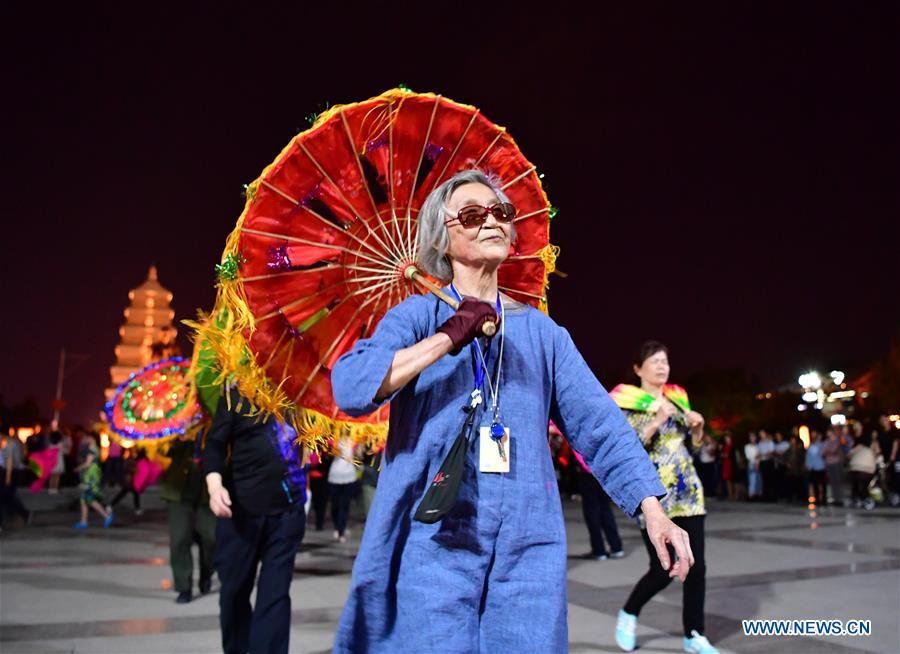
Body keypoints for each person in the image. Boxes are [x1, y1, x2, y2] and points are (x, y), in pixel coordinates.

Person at [329, 170, 691, 653]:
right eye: (473, 215)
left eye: (501, 212)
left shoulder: (544, 335)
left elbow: (599, 425)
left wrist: (653, 510)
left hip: (528, 545)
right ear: (444, 238)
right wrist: (448, 337)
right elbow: (352, 385)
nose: (492, 222)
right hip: (434, 542)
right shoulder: (418, 317)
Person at [615, 342, 718, 654]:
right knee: (662, 569)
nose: (662, 366)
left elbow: (694, 448)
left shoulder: (679, 398)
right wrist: (657, 419)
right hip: (653, 497)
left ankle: (694, 634)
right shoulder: (626, 402)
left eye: (665, 361)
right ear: (638, 368)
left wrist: (698, 430)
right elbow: (625, 447)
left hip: (688, 492)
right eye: (654, 360)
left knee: (696, 567)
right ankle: (629, 612)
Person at [204, 387, 307, 654]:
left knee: (274, 596)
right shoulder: (236, 395)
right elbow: (215, 443)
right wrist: (215, 487)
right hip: (240, 514)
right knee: (234, 592)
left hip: (288, 512)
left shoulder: (301, 391)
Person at [161, 432, 216, 604]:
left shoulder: (216, 415)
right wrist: (177, 438)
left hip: (209, 491)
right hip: (178, 491)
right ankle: (184, 586)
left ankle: (207, 573)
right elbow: (161, 449)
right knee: (179, 538)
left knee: (211, 537)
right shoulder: (176, 417)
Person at [574, 449, 624, 560]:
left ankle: (599, 550)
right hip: (603, 469)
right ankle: (616, 547)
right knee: (605, 509)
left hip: (588, 470)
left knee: (592, 511)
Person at [73, 433, 113, 529]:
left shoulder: (92, 449)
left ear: (91, 438)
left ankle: (106, 515)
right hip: (90, 474)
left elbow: (87, 464)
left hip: (91, 475)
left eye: (86, 437)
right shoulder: (94, 448)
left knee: (88, 498)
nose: (84, 440)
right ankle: (84, 521)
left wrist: (77, 468)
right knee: (84, 499)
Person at [327, 436, 358, 543]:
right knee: (335, 504)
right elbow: (331, 451)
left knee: (345, 504)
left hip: (349, 475)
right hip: (335, 475)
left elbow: (359, 454)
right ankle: (337, 526)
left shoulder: (355, 438)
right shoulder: (334, 438)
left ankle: (341, 530)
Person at [0, 436, 33, 531]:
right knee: (8, 498)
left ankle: (24, 514)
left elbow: (9, 460)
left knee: (5, 498)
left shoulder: (9, 444)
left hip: (7, 472)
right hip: (7, 472)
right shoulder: (8, 443)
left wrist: (8, 477)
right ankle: (25, 514)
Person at [847, 434, 876, 510]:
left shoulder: (859, 447)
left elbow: (849, 454)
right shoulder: (871, 448)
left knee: (855, 484)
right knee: (865, 485)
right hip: (868, 470)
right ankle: (865, 498)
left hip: (855, 468)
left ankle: (856, 498)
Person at [822, 429, 846, 505]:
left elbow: (834, 451)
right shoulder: (826, 441)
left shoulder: (837, 441)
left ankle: (840, 498)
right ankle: (835, 498)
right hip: (829, 463)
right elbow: (823, 452)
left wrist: (828, 452)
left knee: (838, 481)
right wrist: (828, 452)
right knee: (832, 481)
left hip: (836, 463)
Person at [805, 431, 826, 504]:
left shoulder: (821, 445)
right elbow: (808, 456)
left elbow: (824, 454)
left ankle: (823, 498)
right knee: (814, 484)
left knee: (822, 484)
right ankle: (816, 498)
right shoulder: (810, 446)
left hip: (821, 467)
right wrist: (807, 464)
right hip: (813, 468)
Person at [718, 432, 735, 500]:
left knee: (731, 479)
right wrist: (720, 451)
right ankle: (729, 495)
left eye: (728, 438)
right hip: (725, 464)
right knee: (726, 479)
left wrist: (725, 455)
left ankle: (732, 495)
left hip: (731, 464)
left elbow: (732, 456)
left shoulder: (732, 446)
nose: (727, 439)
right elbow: (720, 454)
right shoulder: (724, 446)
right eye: (726, 438)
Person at [744, 432, 761, 501]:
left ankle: (757, 495)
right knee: (751, 480)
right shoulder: (747, 446)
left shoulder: (758, 446)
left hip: (758, 464)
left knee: (758, 480)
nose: (752, 438)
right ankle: (750, 495)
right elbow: (748, 456)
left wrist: (758, 462)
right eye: (751, 437)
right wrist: (755, 458)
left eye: (753, 437)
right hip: (751, 464)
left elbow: (760, 455)